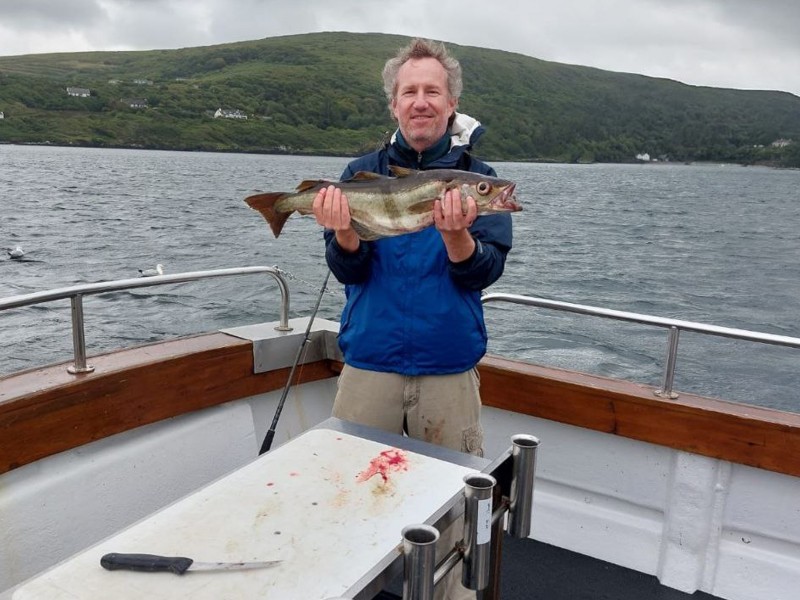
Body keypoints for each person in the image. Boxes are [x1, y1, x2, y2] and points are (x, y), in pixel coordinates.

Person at [312, 39, 512, 598]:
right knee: (355, 504)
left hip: (448, 370)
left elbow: (483, 274)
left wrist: (457, 236)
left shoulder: (478, 179)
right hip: (370, 364)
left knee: (453, 516)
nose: (420, 101)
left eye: (432, 91)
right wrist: (345, 232)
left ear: (451, 105)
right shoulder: (360, 174)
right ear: (394, 105)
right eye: (409, 92)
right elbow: (347, 269)